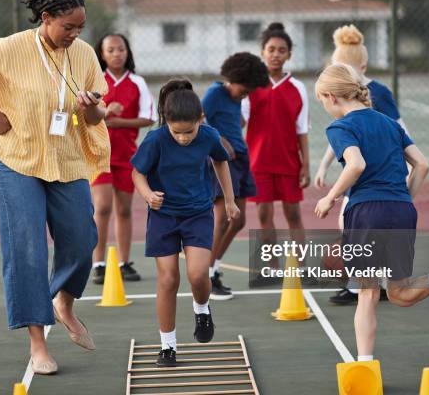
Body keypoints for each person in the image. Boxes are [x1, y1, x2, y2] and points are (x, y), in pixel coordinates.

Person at [0, 0, 108, 375]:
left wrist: (92, 109)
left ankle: (63, 302)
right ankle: (37, 343)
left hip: (66, 160)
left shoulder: (82, 55)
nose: (75, 35)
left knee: (83, 238)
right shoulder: (8, 48)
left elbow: (97, 118)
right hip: (16, 159)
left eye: (80, 27)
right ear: (46, 18)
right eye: (68, 26)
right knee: (27, 248)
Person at [314, 62, 429, 363]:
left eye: (322, 101)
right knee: (398, 294)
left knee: (367, 293)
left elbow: (355, 165)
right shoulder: (390, 124)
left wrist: (330, 196)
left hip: (367, 212)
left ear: (330, 96)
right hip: (402, 211)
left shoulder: (340, 127)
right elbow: (422, 164)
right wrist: (404, 198)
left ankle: (365, 365)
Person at [131, 79, 240, 367]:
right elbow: (137, 174)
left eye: (189, 131)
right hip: (164, 216)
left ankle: (202, 309)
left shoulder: (207, 135)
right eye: (176, 132)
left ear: (199, 120)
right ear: (166, 121)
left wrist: (228, 199)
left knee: (197, 275)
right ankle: (168, 346)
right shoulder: (155, 140)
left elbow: (221, 161)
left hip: (197, 214)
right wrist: (147, 194)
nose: (183, 138)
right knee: (168, 279)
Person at [315, 24, 409, 304]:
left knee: (354, 223)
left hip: (375, 176)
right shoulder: (347, 110)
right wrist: (323, 166)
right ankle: (362, 283)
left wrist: (330, 195)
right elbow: (344, 135)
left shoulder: (376, 94)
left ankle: (364, 285)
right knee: (352, 225)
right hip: (367, 179)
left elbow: (399, 130)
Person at [241, 22, 311, 280]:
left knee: (293, 213)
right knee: (263, 214)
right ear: (262, 52)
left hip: (289, 162)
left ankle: (302, 265)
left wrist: (306, 165)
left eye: (281, 50)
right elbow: (240, 122)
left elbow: (302, 129)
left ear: (289, 55)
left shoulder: (298, 88)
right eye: (271, 49)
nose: (275, 54)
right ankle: (270, 266)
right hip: (258, 162)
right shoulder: (250, 86)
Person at [91, 33, 157, 284]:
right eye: (111, 50)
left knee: (124, 210)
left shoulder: (137, 83)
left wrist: (116, 122)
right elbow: (85, 117)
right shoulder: (94, 81)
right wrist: (105, 113)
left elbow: (148, 118)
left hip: (127, 156)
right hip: (99, 155)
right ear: (103, 54)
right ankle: (98, 263)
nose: (117, 54)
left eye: (121, 49)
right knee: (103, 207)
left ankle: (124, 262)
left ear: (127, 52)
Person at [202, 52, 268, 300]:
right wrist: (219, 140)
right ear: (232, 78)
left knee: (238, 221)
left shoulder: (235, 98)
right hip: (223, 162)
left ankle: (214, 267)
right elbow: (197, 118)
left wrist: (233, 129)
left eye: (249, 92)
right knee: (222, 220)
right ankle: (206, 275)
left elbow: (235, 120)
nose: (245, 95)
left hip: (241, 159)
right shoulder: (215, 93)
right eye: (244, 90)